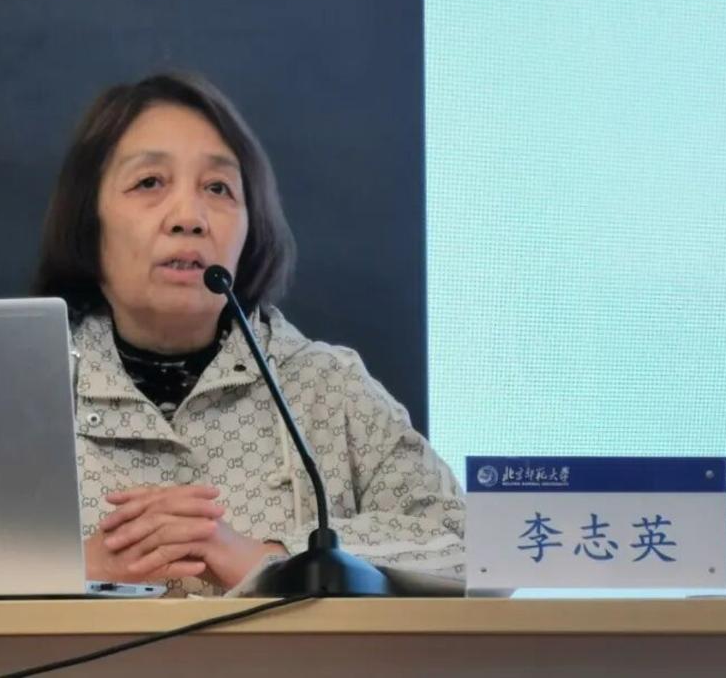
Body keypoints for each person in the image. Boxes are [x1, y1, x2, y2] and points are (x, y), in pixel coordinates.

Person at [34, 71, 464, 596]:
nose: (189, 218)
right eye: (149, 183)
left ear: (250, 228)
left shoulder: (327, 387)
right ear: (88, 220)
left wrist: (277, 560)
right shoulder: (23, 391)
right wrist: (70, 570)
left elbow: (477, 545)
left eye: (218, 188)